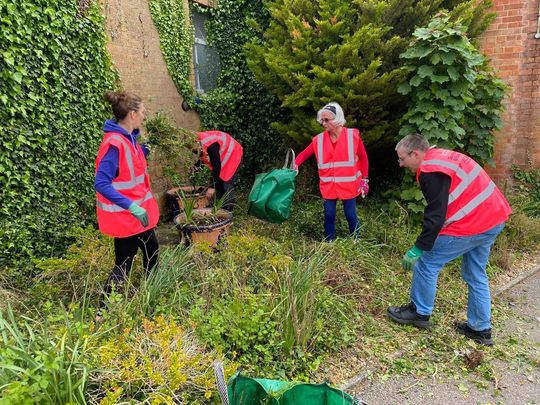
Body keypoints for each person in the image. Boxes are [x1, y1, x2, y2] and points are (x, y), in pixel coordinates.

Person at [387, 133, 512, 345]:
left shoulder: (429, 171)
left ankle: (420, 312)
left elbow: (435, 216)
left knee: (427, 263)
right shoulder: (441, 157)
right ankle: (480, 329)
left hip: (475, 223)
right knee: (475, 273)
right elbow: (451, 200)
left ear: (415, 153)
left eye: (402, 159)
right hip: (494, 218)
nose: (400, 164)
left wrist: (418, 248)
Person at [94, 91, 160, 306]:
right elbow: (101, 183)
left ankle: (152, 290)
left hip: (137, 217)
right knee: (124, 264)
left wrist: (143, 150)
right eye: (142, 112)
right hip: (126, 217)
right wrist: (132, 206)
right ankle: (103, 311)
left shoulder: (128, 139)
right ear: (132, 114)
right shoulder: (114, 144)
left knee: (152, 250)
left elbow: (128, 166)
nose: (144, 115)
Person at [294, 102, 369, 241]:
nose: (323, 123)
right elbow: (304, 154)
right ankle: (329, 243)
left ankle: (356, 242)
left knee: (351, 215)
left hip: (349, 185)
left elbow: (364, 158)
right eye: (322, 120)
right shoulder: (319, 140)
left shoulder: (352, 136)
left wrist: (365, 179)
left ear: (337, 119)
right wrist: (296, 164)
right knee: (329, 215)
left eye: (326, 120)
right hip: (329, 186)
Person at [196, 130, 243, 211]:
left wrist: (211, 187)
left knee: (226, 183)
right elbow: (203, 156)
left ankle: (228, 212)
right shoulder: (201, 141)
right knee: (219, 182)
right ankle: (223, 208)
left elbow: (216, 166)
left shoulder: (209, 144)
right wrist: (195, 168)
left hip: (234, 153)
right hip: (226, 154)